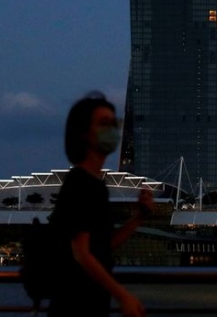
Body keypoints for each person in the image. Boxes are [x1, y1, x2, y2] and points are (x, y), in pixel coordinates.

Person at [48, 92, 153, 317]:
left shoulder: (96, 184)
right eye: (104, 124)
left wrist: (139, 217)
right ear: (84, 133)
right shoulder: (81, 184)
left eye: (113, 123)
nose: (112, 131)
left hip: (92, 303)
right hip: (75, 304)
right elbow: (81, 253)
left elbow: (102, 246)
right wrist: (122, 294)